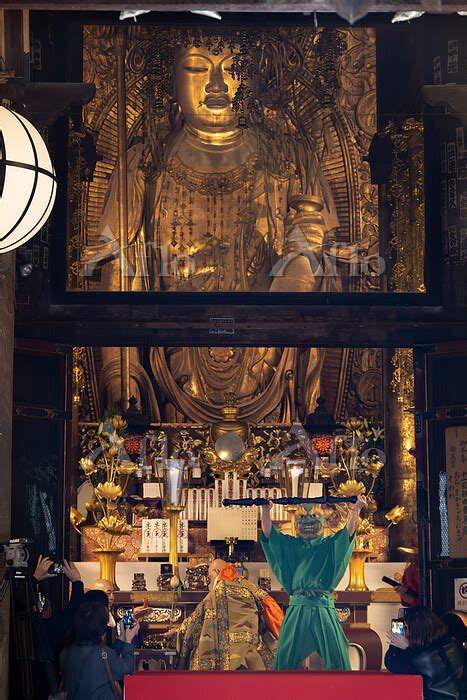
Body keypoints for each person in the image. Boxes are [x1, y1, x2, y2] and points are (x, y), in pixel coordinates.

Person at [260, 495, 367, 670]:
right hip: (298, 608)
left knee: (337, 655)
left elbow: (347, 533)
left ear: (323, 521)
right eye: (302, 517)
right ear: (295, 523)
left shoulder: (329, 544)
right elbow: (268, 534)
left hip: (323, 606)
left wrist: (356, 510)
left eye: (314, 516)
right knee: (285, 657)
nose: (308, 520)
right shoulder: (290, 545)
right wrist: (265, 511)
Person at [165, 559, 283, 670]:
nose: (209, 580)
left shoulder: (217, 591)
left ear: (217, 571)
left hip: (223, 658)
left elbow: (195, 620)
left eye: (209, 575)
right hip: (251, 654)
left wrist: (178, 632)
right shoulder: (249, 585)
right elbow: (271, 607)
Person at [385, 606, 465, 700]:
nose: (405, 632)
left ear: (415, 629)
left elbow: (392, 664)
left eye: (406, 627)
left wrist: (398, 646)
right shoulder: (451, 643)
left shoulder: (421, 657)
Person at [61, 602, 136, 700]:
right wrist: (128, 642)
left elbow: (106, 662)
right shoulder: (104, 654)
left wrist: (121, 638)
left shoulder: (67, 651)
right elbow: (127, 669)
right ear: (101, 628)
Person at [33, 556, 85, 656]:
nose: (50, 610)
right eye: (45, 605)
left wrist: (35, 578)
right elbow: (75, 611)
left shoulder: (23, 623)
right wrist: (76, 581)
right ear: (35, 608)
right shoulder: (47, 629)